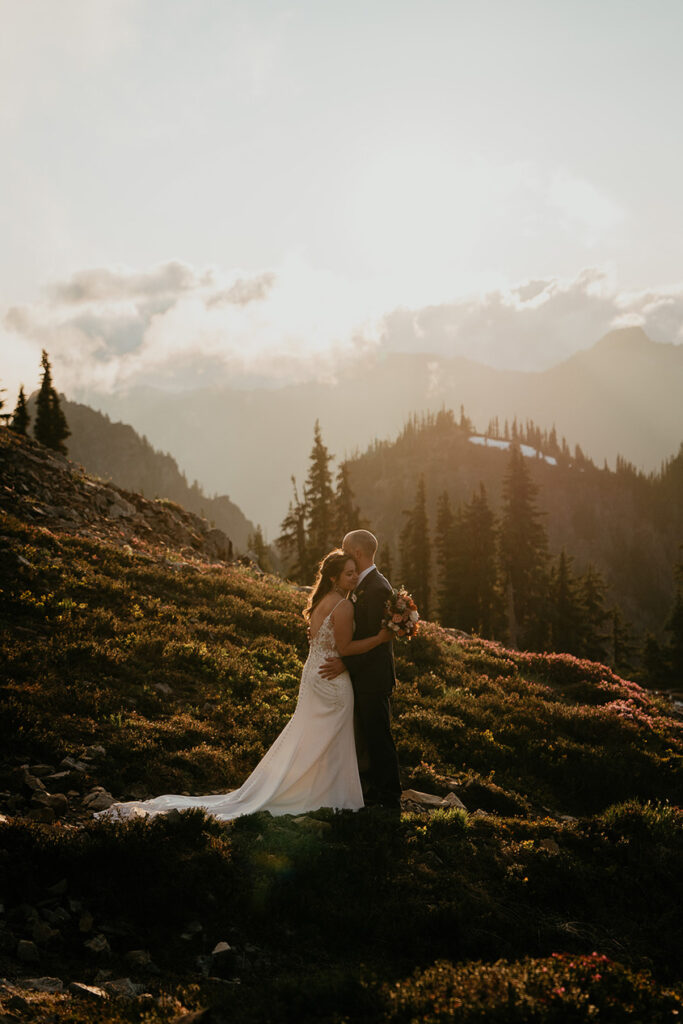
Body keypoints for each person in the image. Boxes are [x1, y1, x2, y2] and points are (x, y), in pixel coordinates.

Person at [96, 550, 391, 822]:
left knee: (311, 736)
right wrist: (380, 638)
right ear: (334, 577)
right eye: (349, 573)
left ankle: (314, 788)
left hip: (315, 674)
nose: (354, 577)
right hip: (332, 680)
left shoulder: (320, 602)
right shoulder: (342, 606)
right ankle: (330, 794)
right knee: (330, 737)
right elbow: (346, 647)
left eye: (355, 572)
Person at [319, 530, 402, 811]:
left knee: (379, 736)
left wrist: (345, 662)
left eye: (344, 550)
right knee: (368, 734)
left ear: (356, 553)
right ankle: (371, 788)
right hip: (365, 674)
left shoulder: (376, 588)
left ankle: (389, 796)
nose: (342, 555)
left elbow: (375, 640)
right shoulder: (364, 584)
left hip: (373, 676)